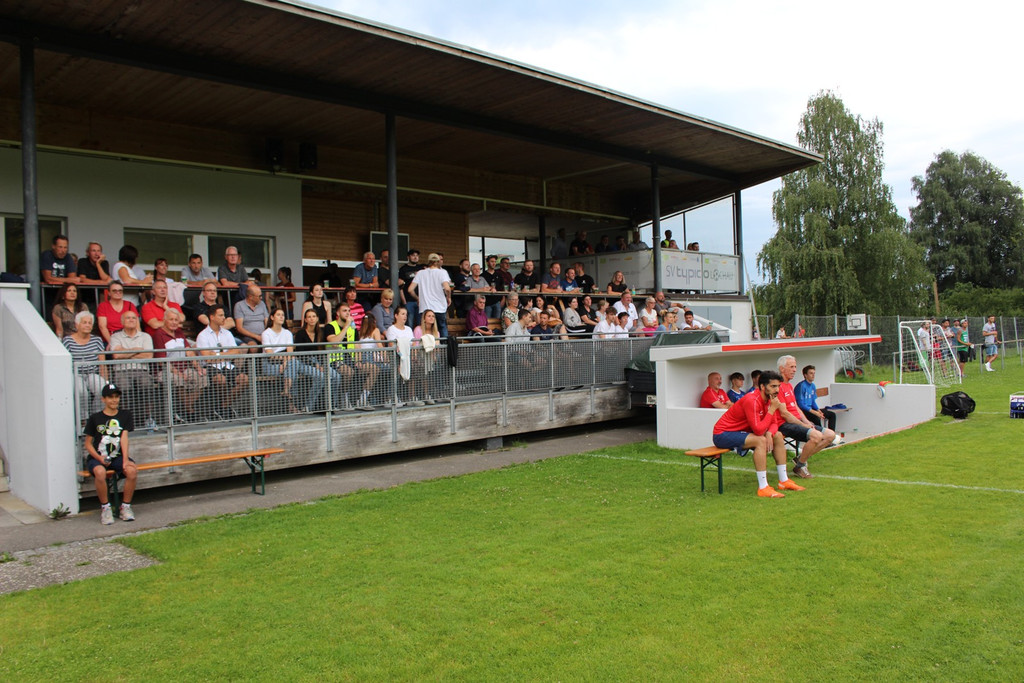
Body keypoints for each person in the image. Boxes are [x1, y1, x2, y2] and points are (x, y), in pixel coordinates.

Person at [712, 370, 804, 498]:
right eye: (773, 386)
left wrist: (769, 433)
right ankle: (763, 487)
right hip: (723, 434)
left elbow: (774, 423)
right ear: (762, 386)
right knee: (760, 440)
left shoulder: (769, 399)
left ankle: (783, 481)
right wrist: (772, 411)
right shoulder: (752, 400)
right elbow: (759, 430)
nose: (777, 390)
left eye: (778, 386)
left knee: (777, 435)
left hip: (740, 432)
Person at [83, 382, 138, 524]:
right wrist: (99, 458)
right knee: (100, 472)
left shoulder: (125, 415)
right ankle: (105, 508)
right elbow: (88, 444)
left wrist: (125, 460)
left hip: (117, 456)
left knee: (131, 471)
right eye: (110, 397)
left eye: (116, 397)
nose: (114, 400)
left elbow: (124, 438)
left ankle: (125, 506)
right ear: (103, 399)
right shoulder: (95, 418)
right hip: (98, 456)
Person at [776, 354, 836, 479]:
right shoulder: (777, 387)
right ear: (782, 369)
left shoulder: (789, 385)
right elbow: (785, 414)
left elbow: (796, 407)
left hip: (797, 421)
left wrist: (806, 420)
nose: (794, 370)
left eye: (795, 367)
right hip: (785, 424)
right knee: (816, 436)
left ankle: (800, 459)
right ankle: (800, 466)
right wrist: (804, 424)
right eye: (791, 367)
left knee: (830, 435)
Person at [151, 308, 207, 422]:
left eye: (176, 320)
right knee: (178, 380)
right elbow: (162, 360)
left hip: (184, 368)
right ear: (164, 320)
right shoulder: (159, 334)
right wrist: (178, 373)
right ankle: (189, 411)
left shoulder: (179, 333)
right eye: (171, 319)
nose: (174, 322)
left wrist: (198, 368)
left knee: (202, 378)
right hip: (166, 370)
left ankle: (185, 409)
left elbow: (189, 352)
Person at [196, 304, 249, 418]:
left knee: (244, 379)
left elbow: (235, 352)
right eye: (220, 315)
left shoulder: (227, 333)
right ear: (212, 317)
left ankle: (223, 406)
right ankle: (223, 407)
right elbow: (207, 358)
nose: (223, 318)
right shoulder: (202, 335)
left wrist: (217, 355)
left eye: (223, 315)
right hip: (210, 368)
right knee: (220, 380)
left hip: (227, 365)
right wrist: (225, 354)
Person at [107, 309, 156, 429]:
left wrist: (125, 352)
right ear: (122, 321)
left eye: (134, 318)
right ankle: (125, 419)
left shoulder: (145, 336)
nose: (131, 320)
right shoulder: (115, 336)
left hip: (141, 370)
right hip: (121, 371)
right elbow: (116, 355)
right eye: (128, 318)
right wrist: (137, 349)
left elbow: (149, 355)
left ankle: (148, 418)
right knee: (123, 387)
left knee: (146, 385)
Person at [63, 310, 108, 415]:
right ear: (77, 324)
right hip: (76, 374)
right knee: (81, 392)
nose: (88, 325)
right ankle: (83, 419)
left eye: (90, 323)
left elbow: (102, 362)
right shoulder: (68, 340)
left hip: (93, 373)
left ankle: (97, 415)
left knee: (103, 389)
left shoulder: (97, 340)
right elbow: (65, 363)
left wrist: (105, 380)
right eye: (84, 322)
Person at [291, 308, 329, 412]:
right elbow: (300, 354)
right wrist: (314, 365)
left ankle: (331, 405)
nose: (311, 319)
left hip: (318, 362)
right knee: (321, 376)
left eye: (314, 316)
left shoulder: (320, 333)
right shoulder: (300, 334)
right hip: (303, 362)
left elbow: (322, 351)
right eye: (309, 317)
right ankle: (308, 406)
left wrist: (321, 364)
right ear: (305, 320)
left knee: (336, 376)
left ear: (317, 319)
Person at [409, 253, 452, 339]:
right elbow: (447, 288)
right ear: (438, 261)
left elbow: (410, 290)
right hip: (439, 307)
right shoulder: (442, 272)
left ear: (428, 261)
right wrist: (448, 297)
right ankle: (444, 350)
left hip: (425, 307)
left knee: (424, 332)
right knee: (442, 329)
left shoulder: (421, 273)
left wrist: (418, 298)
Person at [387, 305, 420, 406]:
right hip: (396, 358)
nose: (405, 316)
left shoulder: (409, 329)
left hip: (409, 357)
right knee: (395, 373)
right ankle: (392, 397)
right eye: (402, 314)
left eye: (406, 314)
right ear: (396, 315)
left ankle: (411, 396)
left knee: (415, 369)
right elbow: (391, 344)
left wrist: (413, 355)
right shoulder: (391, 329)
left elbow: (413, 343)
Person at [353, 312, 386, 409]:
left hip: (363, 358)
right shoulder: (375, 330)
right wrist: (386, 359)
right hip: (369, 358)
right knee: (376, 370)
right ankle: (363, 398)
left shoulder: (360, 333)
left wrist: (358, 361)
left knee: (376, 370)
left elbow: (358, 348)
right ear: (374, 322)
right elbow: (379, 346)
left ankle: (367, 398)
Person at [794, 364, 838, 435]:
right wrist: (814, 412)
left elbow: (813, 401)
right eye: (811, 373)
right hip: (803, 411)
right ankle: (822, 437)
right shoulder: (801, 386)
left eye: (814, 373)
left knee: (832, 415)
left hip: (811, 409)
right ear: (805, 375)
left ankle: (831, 435)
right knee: (816, 417)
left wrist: (818, 410)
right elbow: (800, 404)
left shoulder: (813, 386)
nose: (813, 375)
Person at [398, 249, 423, 326]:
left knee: (420, 324)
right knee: (409, 323)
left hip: (420, 301)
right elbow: (400, 286)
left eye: (417, 255)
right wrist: (404, 302)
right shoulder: (403, 269)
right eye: (413, 255)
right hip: (408, 301)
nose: (415, 257)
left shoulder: (421, 269)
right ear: (408, 257)